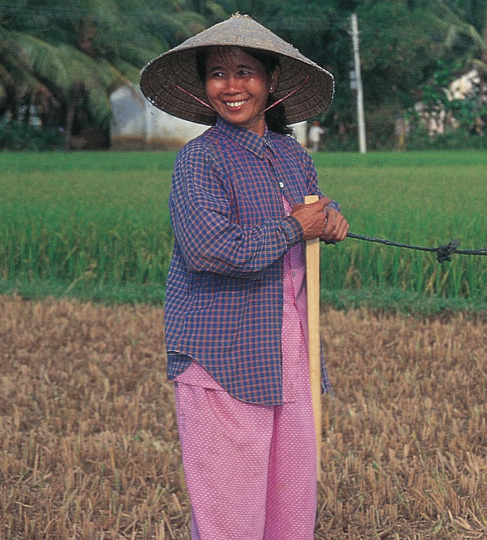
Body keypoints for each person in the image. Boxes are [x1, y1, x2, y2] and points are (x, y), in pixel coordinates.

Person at [140, 14, 347, 539]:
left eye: (245, 71)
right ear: (203, 85)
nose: (231, 86)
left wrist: (331, 217)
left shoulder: (291, 154)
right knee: (229, 514)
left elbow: (310, 206)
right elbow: (209, 247)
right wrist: (293, 227)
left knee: (291, 503)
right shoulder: (199, 160)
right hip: (223, 354)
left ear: (272, 80)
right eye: (217, 73)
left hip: (289, 353)